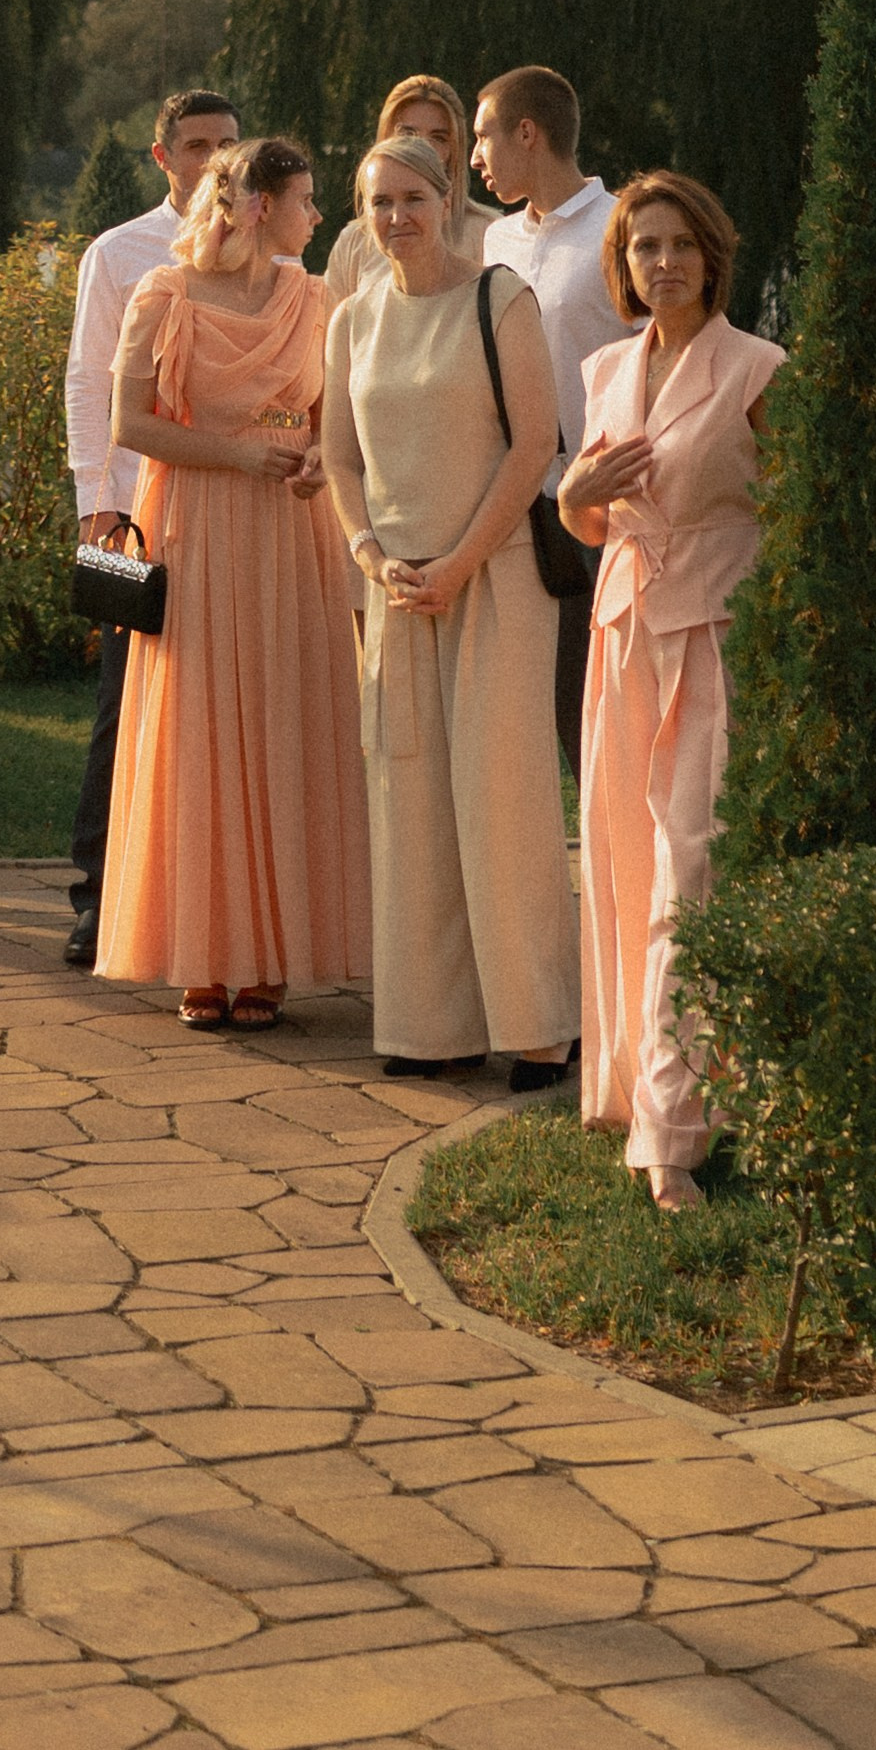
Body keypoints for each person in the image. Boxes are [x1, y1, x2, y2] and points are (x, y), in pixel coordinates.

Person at [325, 131, 578, 1085]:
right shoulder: (349, 317)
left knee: (503, 803)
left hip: (495, 577)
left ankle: (540, 1025)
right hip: (395, 589)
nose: (395, 217)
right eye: (377, 201)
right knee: (412, 807)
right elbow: (341, 459)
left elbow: (531, 447)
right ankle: (433, 1026)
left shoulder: (497, 297)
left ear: (446, 202)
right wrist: (371, 555)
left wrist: (460, 562)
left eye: (411, 198)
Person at [99, 134, 367, 1028]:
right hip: (198, 530)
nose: (318, 215)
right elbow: (130, 422)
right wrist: (238, 454)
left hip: (292, 535)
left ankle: (274, 957)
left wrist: (316, 462)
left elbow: (333, 420)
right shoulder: (162, 294)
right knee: (201, 729)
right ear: (257, 206)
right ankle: (207, 954)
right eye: (304, 199)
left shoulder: (319, 297)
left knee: (284, 726)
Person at [560, 172, 780, 1210]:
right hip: (622, 632)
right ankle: (627, 1089)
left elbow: (797, 510)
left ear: (714, 251)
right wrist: (571, 500)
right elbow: (593, 515)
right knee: (621, 861)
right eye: (645, 246)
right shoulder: (606, 367)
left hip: (717, 634)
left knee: (692, 869)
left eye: (681, 242)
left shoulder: (757, 367)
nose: (664, 262)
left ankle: (674, 1132)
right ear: (624, 263)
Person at [61, 87, 239, 968]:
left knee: (218, 711)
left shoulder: (264, 253)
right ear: (162, 155)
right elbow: (90, 380)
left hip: (235, 517)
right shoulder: (119, 251)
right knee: (121, 705)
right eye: (197, 144)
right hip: (137, 517)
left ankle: (206, 907)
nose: (214, 159)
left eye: (228, 143)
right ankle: (97, 903)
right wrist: (95, 501)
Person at [473, 65, 628, 779]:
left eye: (483, 135)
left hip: (608, 505)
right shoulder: (496, 242)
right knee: (540, 711)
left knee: (608, 704)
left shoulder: (622, 227)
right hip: (516, 503)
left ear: (526, 132)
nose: (475, 156)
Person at [325, 76, 492, 299]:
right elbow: (332, 329)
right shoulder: (355, 242)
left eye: (438, 137)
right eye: (407, 134)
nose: (422, 146)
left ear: (455, 150)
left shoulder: (489, 233)